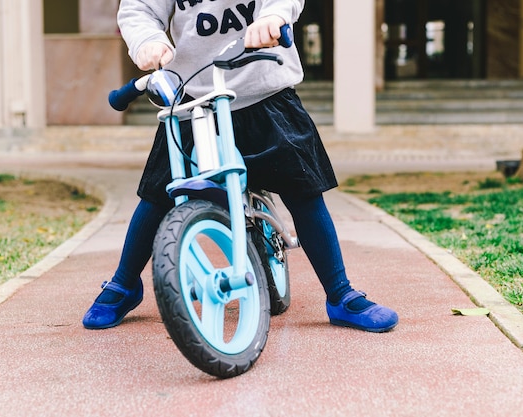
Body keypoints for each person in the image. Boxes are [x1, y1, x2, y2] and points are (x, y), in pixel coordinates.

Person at [83, 0, 399, 333]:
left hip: (264, 91)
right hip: (195, 99)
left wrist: (274, 16)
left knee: (304, 191)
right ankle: (124, 283)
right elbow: (139, 9)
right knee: (158, 195)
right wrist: (148, 40)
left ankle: (340, 293)